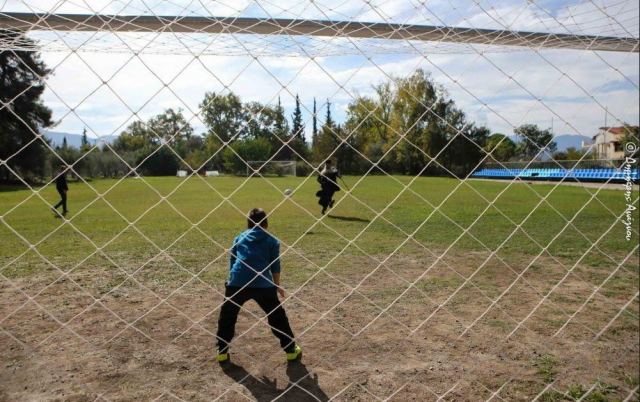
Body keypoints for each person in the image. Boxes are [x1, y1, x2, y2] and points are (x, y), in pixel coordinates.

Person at [216, 208, 301, 363]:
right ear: (266, 223)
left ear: (248, 223)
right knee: (277, 316)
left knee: (227, 316)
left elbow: (232, 260)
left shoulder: (240, 237)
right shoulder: (271, 240)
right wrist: (277, 285)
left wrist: (232, 279)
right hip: (263, 285)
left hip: (237, 284)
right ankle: (291, 350)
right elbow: (275, 265)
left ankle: (221, 351)